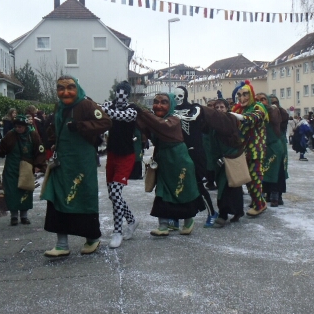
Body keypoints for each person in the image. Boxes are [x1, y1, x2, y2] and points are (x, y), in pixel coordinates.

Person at [42, 76, 112, 257]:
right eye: (61, 88)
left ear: (77, 89)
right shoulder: (59, 107)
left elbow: (106, 122)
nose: (65, 92)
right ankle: (61, 244)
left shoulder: (86, 105)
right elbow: (55, 127)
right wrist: (53, 142)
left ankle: (92, 239)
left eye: (70, 88)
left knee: (84, 197)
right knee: (58, 197)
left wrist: (81, 126)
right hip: (63, 161)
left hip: (82, 161)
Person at [133, 93, 205, 236]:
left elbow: (162, 126)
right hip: (163, 161)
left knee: (183, 191)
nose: (158, 105)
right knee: (162, 193)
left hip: (178, 160)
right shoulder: (156, 120)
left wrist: (143, 113)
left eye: (164, 102)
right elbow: (148, 128)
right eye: (156, 102)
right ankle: (163, 225)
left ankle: (188, 221)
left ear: (171, 104)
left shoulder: (174, 120)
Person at [101, 81, 139, 249]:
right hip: (112, 155)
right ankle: (131, 220)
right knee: (113, 195)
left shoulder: (132, 110)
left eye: (124, 92)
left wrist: (103, 109)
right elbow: (103, 110)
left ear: (128, 95)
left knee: (116, 194)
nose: (120, 95)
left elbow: (118, 115)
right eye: (118, 91)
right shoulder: (110, 106)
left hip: (126, 156)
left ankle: (118, 231)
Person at [172, 85, 217, 225]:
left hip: (195, 152)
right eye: (175, 96)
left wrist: (176, 116)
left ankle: (212, 213)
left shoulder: (195, 107)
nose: (177, 99)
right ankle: (176, 218)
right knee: (178, 184)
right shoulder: (172, 110)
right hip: (178, 152)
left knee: (197, 184)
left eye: (180, 96)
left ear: (185, 96)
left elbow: (193, 117)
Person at [0, 114, 46, 225]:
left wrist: (38, 165)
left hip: (27, 168)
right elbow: (3, 149)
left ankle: (24, 216)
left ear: (25, 126)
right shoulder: (10, 135)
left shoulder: (33, 135)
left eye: (20, 127)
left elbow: (40, 151)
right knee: (12, 192)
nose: (18, 129)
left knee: (25, 190)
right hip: (11, 168)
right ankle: (14, 216)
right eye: (16, 126)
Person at [201, 97, 245, 227]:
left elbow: (236, 143)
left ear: (227, 109)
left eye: (222, 107)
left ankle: (224, 214)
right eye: (217, 107)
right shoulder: (212, 123)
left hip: (229, 160)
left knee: (230, 187)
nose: (219, 109)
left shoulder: (230, 121)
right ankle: (234, 211)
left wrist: (226, 158)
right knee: (222, 186)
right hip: (217, 162)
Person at [230, 80, 268, 217]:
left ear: (251, 94)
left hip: (256, 150)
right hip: (243, 150)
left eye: (245, 94)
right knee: (248, 179)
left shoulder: (258, 107)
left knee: (255, 179)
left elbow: (252, 118)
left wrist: (236, 116)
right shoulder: (239, 109)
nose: (242, 98)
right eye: (239, 95)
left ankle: (259, 205)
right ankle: (259, 202)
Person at [257, 93, 289, 207]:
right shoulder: (257, 112)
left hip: (276, 144)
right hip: (263, 146)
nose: (261, 102)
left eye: (263, 99)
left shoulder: (277, 111)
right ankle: (266, 194)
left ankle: (276, 196)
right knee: (264, 172)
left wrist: (271, 107)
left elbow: (278, 119)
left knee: (277, 172)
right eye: (258, 100)